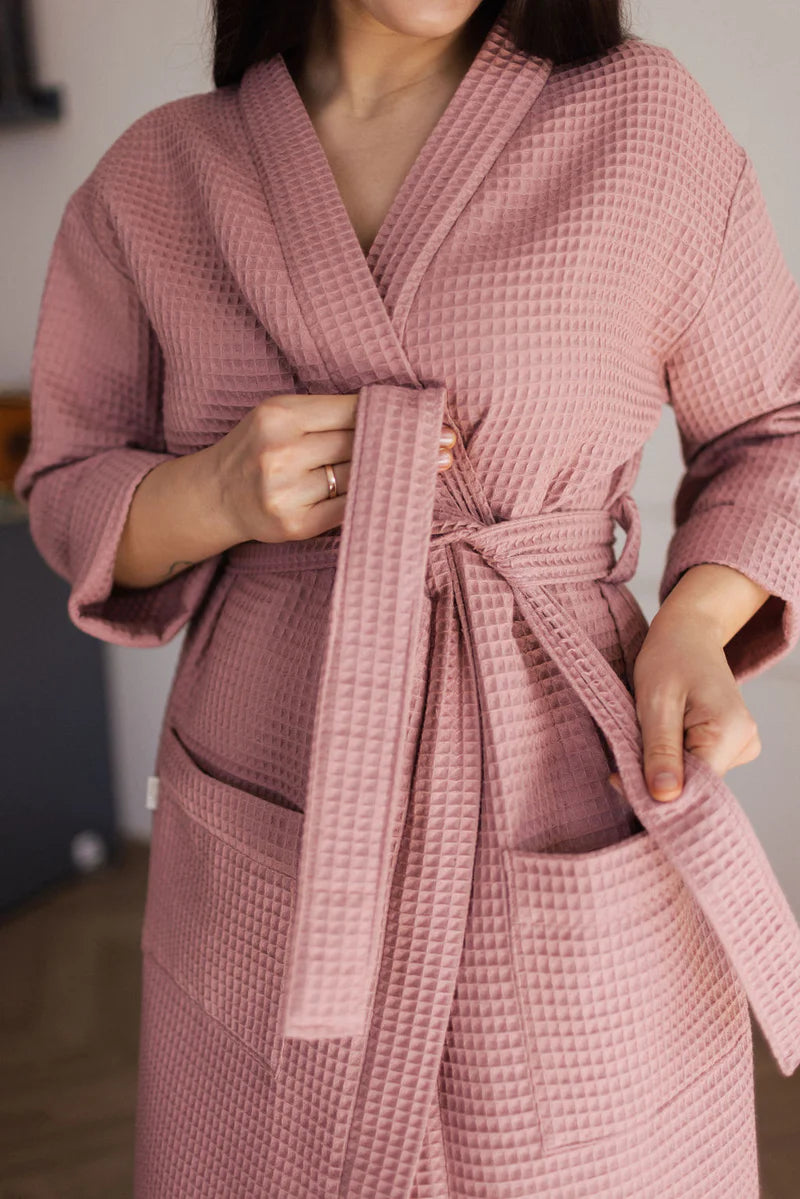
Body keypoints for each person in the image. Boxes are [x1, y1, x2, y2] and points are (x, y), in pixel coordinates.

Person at [15, 1, 800, 1195]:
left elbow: (770, 428)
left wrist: (692, 623)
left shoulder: (643, 123)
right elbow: (68, 484)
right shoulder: (159, 178)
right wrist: (212, 494)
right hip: (270, 773)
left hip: (556, 756)